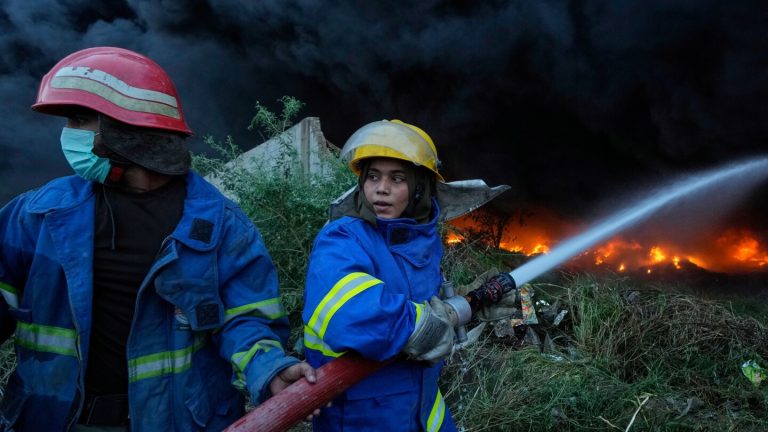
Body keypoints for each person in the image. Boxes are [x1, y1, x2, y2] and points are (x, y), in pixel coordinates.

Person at [0, 46, 317, 431]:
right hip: (51, 420)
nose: (68, 134)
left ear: (125, 128)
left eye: (80, 119)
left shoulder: (222, 227)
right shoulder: (37, 216)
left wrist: (270, 369)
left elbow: (247, 318)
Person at [302, 120, 459, 431]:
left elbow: (430, 306)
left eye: (397, 178)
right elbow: (348, 312)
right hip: (362, 416)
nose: (381, 189)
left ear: (419, 188)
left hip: (423, 411)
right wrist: (417, 325)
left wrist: (470, 302)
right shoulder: (342, 239)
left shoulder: (423, 241)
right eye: (373, 177)